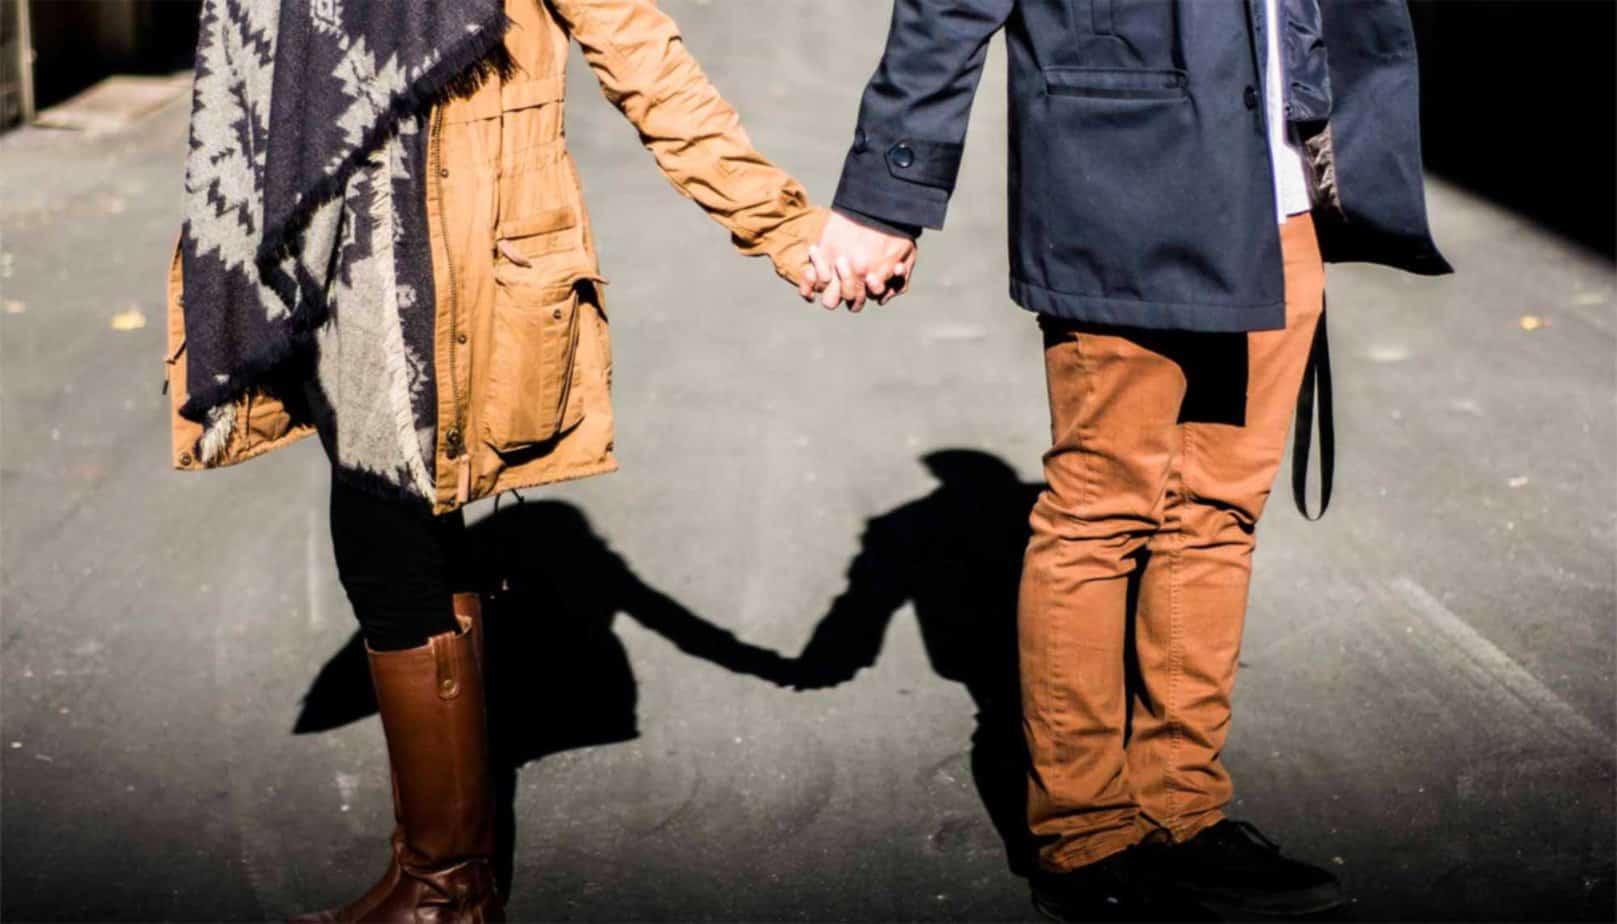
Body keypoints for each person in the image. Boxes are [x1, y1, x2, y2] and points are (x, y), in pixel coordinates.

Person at [165, 0, 837, 920]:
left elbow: (638, 46)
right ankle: (439, 871)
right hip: (320, 242)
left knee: (384, 538)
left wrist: (781, 226)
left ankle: (446, 887)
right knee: (408, 537)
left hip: (436, 264)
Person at [811, 0, 1450, 918]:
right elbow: (946, 11)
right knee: (1100, 513)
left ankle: (1181, 811)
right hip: (1122, 182)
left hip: (1280, 198)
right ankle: (1082, 836)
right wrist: (885, 194)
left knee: (1218, 512)